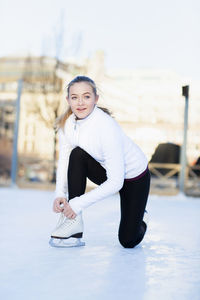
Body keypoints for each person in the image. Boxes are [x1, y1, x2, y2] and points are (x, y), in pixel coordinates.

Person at [51, 75, 151, 248]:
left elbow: (116, 182)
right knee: (77, 154)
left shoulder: (106, 127)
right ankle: (74, 224)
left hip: (134, 179)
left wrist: (76, 204)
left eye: (86, 96)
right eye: (75, 97)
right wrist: (60, 192)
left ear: (96, 99)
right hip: (107, 172)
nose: (80, 102)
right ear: (68, 100)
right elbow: (65, 159)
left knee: (128, 240)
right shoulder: (69, 124)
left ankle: (140, 217)